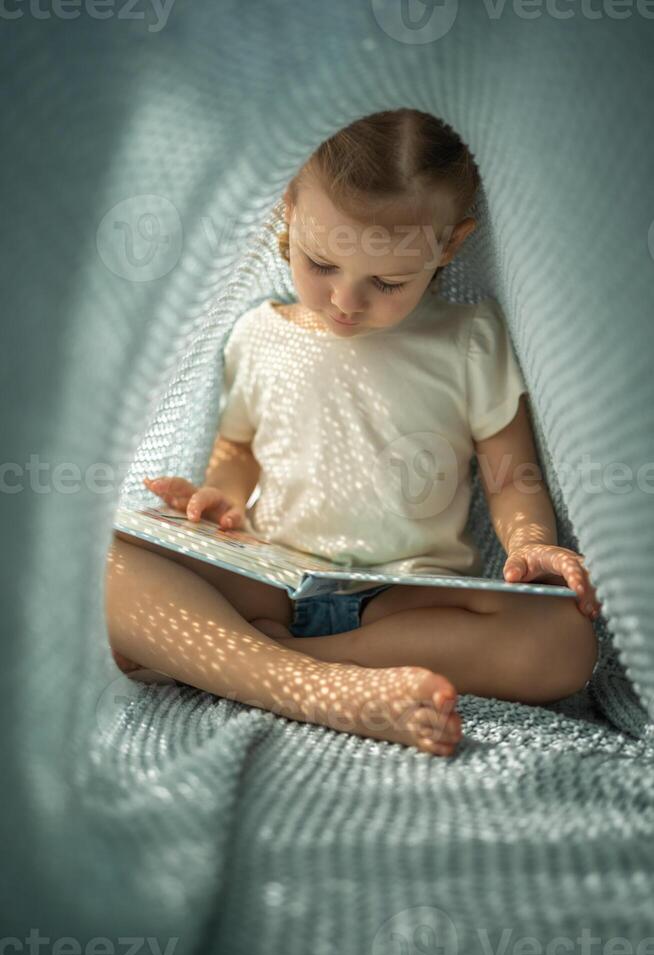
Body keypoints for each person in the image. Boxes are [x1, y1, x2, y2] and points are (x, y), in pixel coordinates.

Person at [106, 108, 600, 758]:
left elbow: (511, 475)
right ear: (289, 207)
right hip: (269, 577)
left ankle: (267, 664)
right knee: (100, 553)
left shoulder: (469, 340)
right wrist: (219, 496)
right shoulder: (259, 333)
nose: (346, 300)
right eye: (322, 263)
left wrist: (534, 542)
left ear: (448, 246)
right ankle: (303, 679)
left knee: (564, 637)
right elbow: (238, 451)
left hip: (402, 600)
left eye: (387, 282)